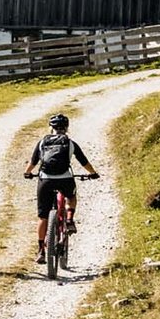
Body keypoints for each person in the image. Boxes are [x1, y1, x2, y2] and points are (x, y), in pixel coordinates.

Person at [23, 112, 99, 263]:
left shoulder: (42, 142)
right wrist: (93, 173)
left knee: (43, 217)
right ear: (66, 128)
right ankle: (69, 219)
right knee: (71, 197)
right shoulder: (70, 143)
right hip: (65, 179)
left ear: (51, 128)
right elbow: (83, 161)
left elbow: (33, 162)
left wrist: (27, 173)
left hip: (45, 181)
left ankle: (41, 251)